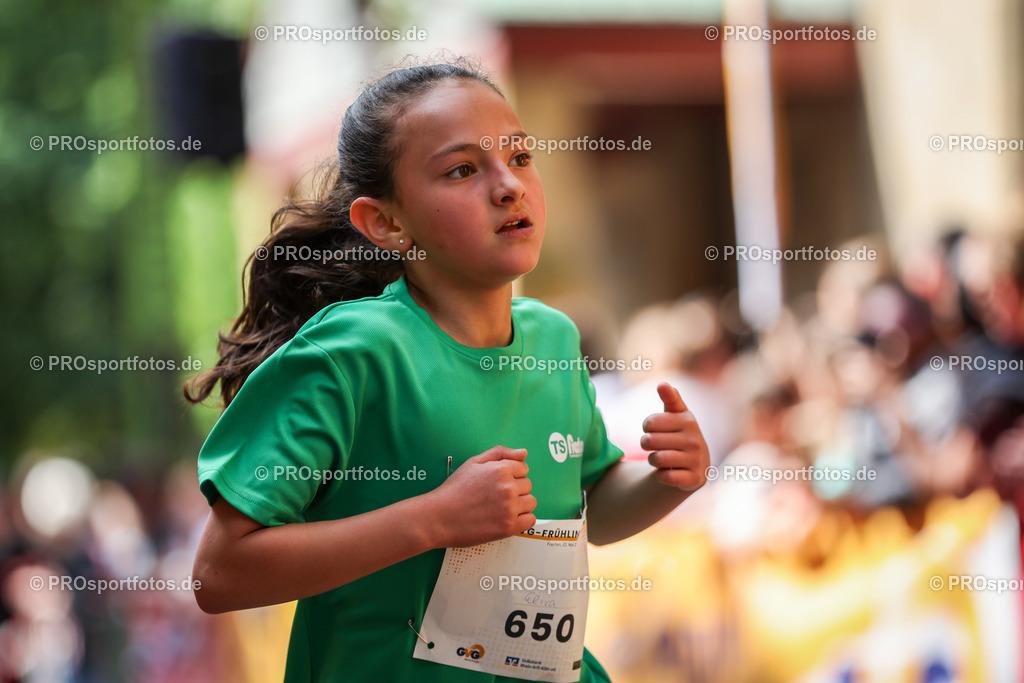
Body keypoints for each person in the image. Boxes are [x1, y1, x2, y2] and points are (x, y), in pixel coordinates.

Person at [185, 59, 709, 682]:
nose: (509, 186)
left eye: (519, 157)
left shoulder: (555, 337)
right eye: (462, 169)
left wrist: (667, 479)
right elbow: (218, 575)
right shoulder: (350, 354)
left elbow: (589, 508)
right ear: (386, 223)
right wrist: (432, 519)